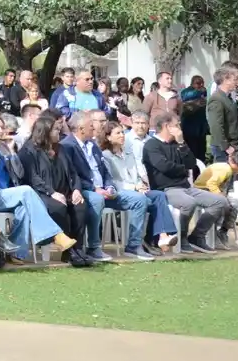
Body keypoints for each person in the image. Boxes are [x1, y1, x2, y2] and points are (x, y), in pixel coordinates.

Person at [0, 113, 66, 264]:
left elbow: (20, 173)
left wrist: (12, 153)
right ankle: (55, 234)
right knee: (26, 190)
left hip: (10, 195)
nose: (1, 131)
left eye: (2, 127)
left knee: (24, 210)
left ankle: (15, 252)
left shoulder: (5, 148)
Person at [63, 112, 150, 262]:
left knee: (139, 200)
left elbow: (105, 172)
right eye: (91, 125)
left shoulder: (93, 145)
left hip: (105, 191)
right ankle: (93, 247)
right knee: (97, 199)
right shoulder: (67, 146)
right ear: (81, 129)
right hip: (86, 191)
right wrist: (94, 189)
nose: (94, 128)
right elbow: (72, 175)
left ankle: (133, 245)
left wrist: (110, 187)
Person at [142, 112, 225, 254]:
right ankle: (181, 237)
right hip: (166, 189)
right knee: (188, 203)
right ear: (167, 126)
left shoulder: (177, 143)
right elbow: (164, 167)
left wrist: (181, 143)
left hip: (186, 187)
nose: (180, 128)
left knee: (219, 202)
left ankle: (197, 236)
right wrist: (183, 170)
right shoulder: (151, 145)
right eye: (177, 125)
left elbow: (191, 163)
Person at [15, 115, 90, 267]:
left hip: (65, 192)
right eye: (56, 130)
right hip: (41, 194)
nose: (59, 133)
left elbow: (73, 173)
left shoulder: (61, 149)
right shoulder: (28, 151)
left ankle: (77, 248)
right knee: (58, 207)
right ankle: (69, 249)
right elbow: (32, 178)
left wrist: (76, 190)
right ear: (45, 131)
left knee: (80, 206)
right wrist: (51, 192)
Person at [99, 120, 179, 255]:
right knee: (146, 201)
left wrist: (141, 184)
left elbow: (135, 173)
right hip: (118, 193)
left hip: (136, 190)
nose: (122, 135)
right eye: (118, 133)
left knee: (159, 195)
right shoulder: (106, 156)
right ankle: (139, 243)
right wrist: (135, 187)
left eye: (122, 132)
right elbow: (112, 182)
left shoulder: (128, 152)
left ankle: (162, 236)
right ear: (108, 137)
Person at [192, 150, 238, 248]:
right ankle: (216, 233)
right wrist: (221, 196)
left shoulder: (229, 169)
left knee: (234, 203)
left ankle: (222, 231)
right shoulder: (225, 169)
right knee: (225, 204)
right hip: (203, 190)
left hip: (210, 191)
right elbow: (211, 183)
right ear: (231, 160)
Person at [206, 64, 238, 164]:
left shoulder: (227, 97)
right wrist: (226, 147)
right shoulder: (217, 99)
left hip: (233, 144)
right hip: (224, 148)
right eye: (235, 79)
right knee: (224, 173)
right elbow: (216, 126)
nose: (237, 82)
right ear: (226, 80)